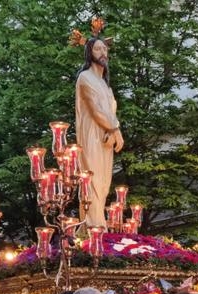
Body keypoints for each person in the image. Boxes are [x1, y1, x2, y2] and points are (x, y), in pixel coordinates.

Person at [75, 34, 124, 228]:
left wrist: (114, 130)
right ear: (89, 53)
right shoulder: (85, 78)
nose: (103, 52)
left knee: (104, 182)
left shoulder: (104, 83)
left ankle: (97, 225)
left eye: (105, 49)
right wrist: (116, 129)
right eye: (97, 49)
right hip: (91, 135)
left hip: (106, 137)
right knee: (92, 178)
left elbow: (109, 110)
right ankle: (93, 227)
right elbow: (96, 110)